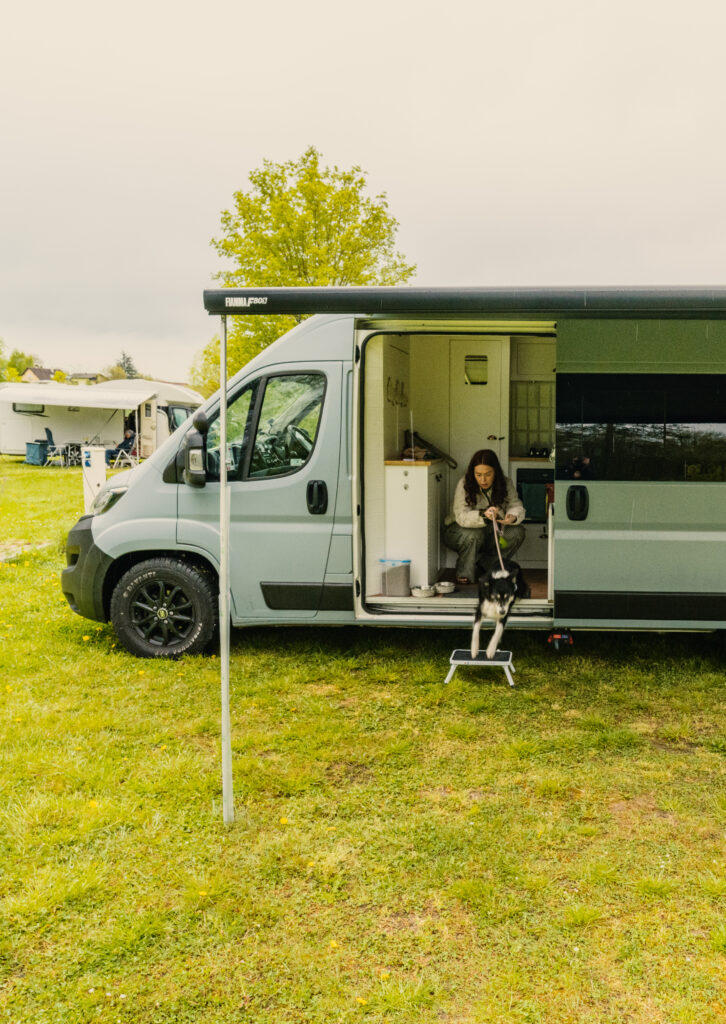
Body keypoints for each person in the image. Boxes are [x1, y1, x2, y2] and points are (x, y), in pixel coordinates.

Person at [442, 449, 526, 583]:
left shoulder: (506, 482)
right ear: (472, 473)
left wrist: (512, 516)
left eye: (488, 474)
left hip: (489, 531)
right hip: (457, 531)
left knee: (517, 532)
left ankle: (487, 564)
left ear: (496, 472)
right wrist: (483, 515)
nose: (483, 479)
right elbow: (461, 516)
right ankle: (465, 573)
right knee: (474, 534)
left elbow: (516, 505)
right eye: (478, 474)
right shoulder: (464, 484)